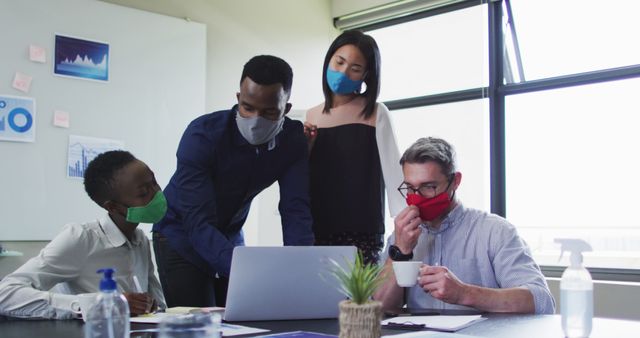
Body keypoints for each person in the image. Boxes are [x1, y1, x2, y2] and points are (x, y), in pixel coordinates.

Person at [153, 55, 314, 308]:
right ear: (238, 98)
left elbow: (295, 209)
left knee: (238, 319)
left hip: (230, 234)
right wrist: (246, 269)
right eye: (247, 107)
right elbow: (197, 222)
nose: (255, 120)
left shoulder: (292, 140)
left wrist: (301, 267)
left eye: (270, 112)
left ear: (286, 109)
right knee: (198, 324)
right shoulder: (202, 135)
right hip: (181, 233)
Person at [374, 137, 555, 314]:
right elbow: (378, 308)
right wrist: (400, 251)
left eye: (428, 186)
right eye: (410, 188)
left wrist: (464, 293)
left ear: (455, 182)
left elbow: (541, 300)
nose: (416, 197)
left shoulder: (495, 232)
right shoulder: (402, 235)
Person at [0, 150, 166, 319]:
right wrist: (98, 305)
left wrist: (153, 307)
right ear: (113, 207)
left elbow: (158, 306)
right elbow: (5, 294)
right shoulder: (81, 239)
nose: (157, 193)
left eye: (154, 182)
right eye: (143, 193)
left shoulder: (140, 240)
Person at [304, 30, 404, 265]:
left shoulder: (376, 113)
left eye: (355, 69)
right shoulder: (310, 115)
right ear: (329, 59)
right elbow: (303, 175)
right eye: (339, 62)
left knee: (360, 301)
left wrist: (404, 223)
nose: (343, 72)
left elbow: (394, 173)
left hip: (362, 232)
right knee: (317, 300)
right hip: (316, 228)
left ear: (366, 75)